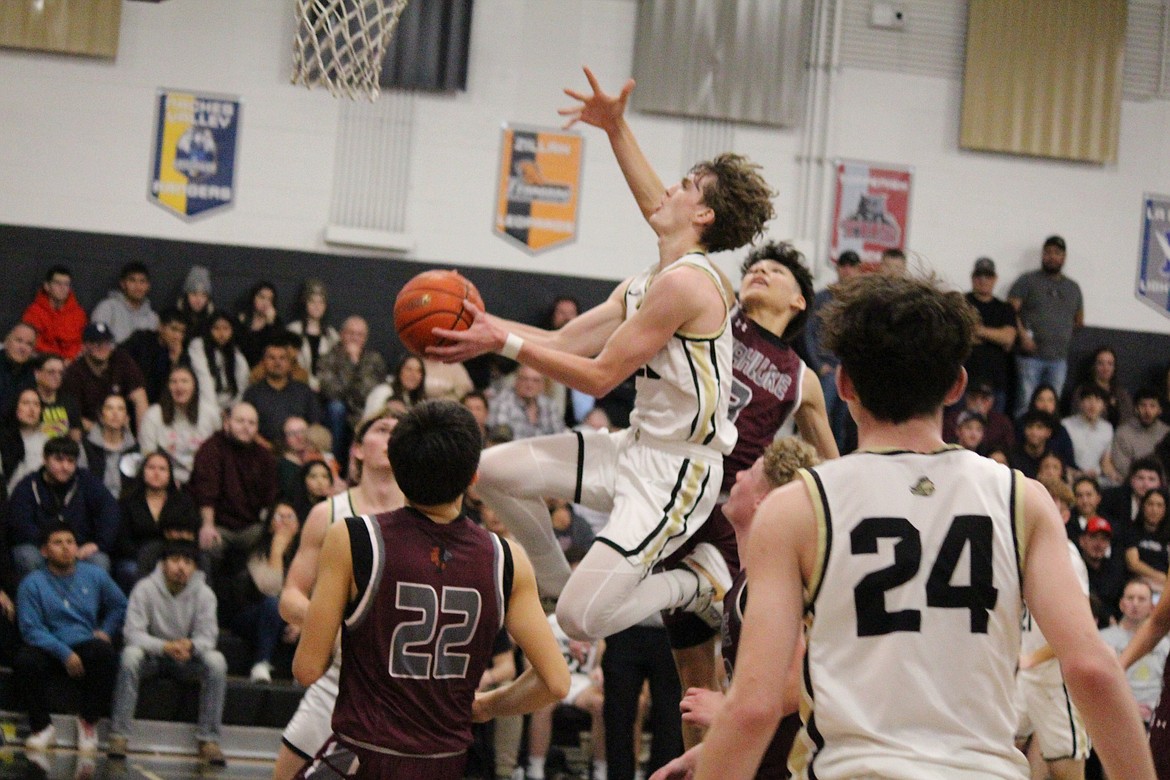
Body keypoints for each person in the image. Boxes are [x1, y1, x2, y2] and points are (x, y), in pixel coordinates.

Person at [694, 273, 1153, 779]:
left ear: (843, 383)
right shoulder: (1024, 499)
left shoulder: (798, 506)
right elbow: (1092, 667)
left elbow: (754, 706)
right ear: (957, 385)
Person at [431, 67, 775, 641]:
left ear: (704, 215)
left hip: (678, 471)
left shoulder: (688, 284)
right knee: (488, 470)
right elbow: (566, 344)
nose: (669, 188)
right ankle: (555, 579)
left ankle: (698, 584)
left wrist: (504, 342)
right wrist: (486, 325)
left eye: (686, 185)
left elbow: (595, 378)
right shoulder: (653, 277)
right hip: (634, 445)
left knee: (580, 623)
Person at [291, 400, 571, 779]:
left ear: (398, 468)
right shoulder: (508, 558)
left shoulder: (353, 537)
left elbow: (307, 669)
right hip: (444, 763)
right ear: (473, 477)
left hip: (361, 755)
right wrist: (486, 706)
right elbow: (555, 683)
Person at [651, 437, 820, 780]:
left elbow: (803, 678)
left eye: (751, 473)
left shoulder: (768, 581)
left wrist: (729, 711)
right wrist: (702, 754)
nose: (738, 476)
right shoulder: (748, 580)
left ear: (762, 501)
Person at [272, 406, 407, 780]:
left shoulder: (424, 518)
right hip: (340, 678)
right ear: (358, 449)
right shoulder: (328, 513)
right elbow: (290, 598)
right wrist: (333, 624)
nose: (392, 437)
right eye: (382, 428)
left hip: (401, 688)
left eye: (401, 431)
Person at [108, 540, 227, 765]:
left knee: (217, 661)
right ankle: (119, 735)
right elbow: (132, 634)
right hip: (152, 656)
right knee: (130, 656)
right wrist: (163, 647)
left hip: (185, 658)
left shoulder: (205, 594)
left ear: (195, 568)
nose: (181, 567)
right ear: (163, 564)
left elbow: (208, 637)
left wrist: (191, 647)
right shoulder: (144, 588)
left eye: (187, 562)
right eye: (175, 560)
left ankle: (209, 740)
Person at [16, 522, 127, 753]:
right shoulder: (32, 583)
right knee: (25, 661)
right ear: (44, 551)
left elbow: (120, 605)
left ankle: (87, 721)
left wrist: (106, 630)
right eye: (58, 543)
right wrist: (64, 653)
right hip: (48, 644)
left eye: (70, 542)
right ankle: (42, 727)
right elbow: (30, 629)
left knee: (106, 654)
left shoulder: (95, 575)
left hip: (84, 641)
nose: (66, 548)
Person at [1014, 477, 1092, 780]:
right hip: (1022, 673)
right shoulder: (1020, 552)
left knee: (1066, 768)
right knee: (992, 747)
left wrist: (1031, 658)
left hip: (1056, 678)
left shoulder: (1067, 556)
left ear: (1064, 515)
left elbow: (1079, 631)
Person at [8, 436, 120, 580]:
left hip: (78, 547)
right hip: (41, 547)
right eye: (59, 460)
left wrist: (98, 544)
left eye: (70, 461)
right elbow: (19, 523)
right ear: (45, 459)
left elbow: (110, 512)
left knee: (99, 560)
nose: (65, 466)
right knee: (26, 555)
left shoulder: (86, 481)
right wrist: (49, 546)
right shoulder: (28, 485)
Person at [188, 402, 277, 576]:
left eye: (251, 423)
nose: (246, 427)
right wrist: (207, 524)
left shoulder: (264, 456)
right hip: (218, 526)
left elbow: (271, 495)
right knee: (208, 545)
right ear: (227, 422)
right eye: (240, 421)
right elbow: (206, 491)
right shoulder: (211, 449)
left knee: (275, 541)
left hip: (252, 526)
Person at [222, 500, 300, 684]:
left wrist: (300, 623)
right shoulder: (256, 549)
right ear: (270, 524)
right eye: (280, 517)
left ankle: (304, 670)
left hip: (287, 618)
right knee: (272, 604)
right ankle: (261, 663)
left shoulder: (305, 554)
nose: (286, 521)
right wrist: (276, 551)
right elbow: (270, 588)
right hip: (251, 613)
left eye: (291, 517)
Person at [1010, 235, 1084, 413]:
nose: (1052, 256)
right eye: (1048, 252)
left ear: (1064, 257)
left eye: (1057, 253)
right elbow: (1011, 311)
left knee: (1051, 408)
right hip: (1030, 358)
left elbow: (1079, 320)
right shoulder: (1027, 280)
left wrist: (1060, 336)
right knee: (1025, 405)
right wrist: (1022, 335)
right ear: (1043, 255)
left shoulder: (1073, 287)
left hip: (1058, 359)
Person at [114, 450, 201, 591]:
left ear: (170, 474)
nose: (156, 473)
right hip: (135, 557)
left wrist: (168, 560)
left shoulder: (183, 501)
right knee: (129, 570)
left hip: (175, 556)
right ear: (142, 471)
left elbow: (191, 535)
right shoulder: (128, 502)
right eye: (151, 468)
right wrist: (147, 559)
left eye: (162, 469)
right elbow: (122, 540)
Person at [804, 250, 864, 451]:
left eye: (852, 266)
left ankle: (833, 464)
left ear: (858, 270)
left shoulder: (861, 301)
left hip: (847, 369)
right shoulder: (822, 298)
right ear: (838, 268)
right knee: (818, 420)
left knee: (841, 425)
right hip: (828, 369)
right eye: (844, 266)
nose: (847, 271)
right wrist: (819, 365)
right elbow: (807, 333)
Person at [317, 315, 385, 468]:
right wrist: (351, 364)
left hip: (364, 412)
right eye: (350, 333)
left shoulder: (374, 360)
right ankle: (334, 466)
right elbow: (331, 391)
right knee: (337, 407)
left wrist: (355, 365)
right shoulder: (328, 358)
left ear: (365, 338)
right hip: (336, 414)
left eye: (359, 334)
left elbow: (369, 393)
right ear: (341, 334)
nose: (355, 338)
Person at [1099, 579, 1168, 725]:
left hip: (1157, 714)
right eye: (1130, 598)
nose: (1135, 604)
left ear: (1152, 607)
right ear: (1121, 604)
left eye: (1141, 599)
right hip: (1117, 713)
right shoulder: (1102, 639)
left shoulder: (1165, 644)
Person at [138, 365, 220, 486]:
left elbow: (219, 451)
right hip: (166, 481)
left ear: (194, 386)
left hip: (204, 479)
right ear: (168, 387)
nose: (179, 387)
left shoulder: (210, 414)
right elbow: (148, 455)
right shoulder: (153, 415)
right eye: (173, 382)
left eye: (184, 381)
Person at [61, 321, 149, 432]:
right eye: (96, 343)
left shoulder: (121, 359)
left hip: (121, 430)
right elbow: (73, 417)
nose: (102, 347)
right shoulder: (74, 373)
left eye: (107, 342)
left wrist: (143, 441)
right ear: (84, 346)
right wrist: (104, 433)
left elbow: (139, 397)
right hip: (90, 434)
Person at [243, 334, 321, 447]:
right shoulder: (252, 393)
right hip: (263, 452)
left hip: (301, 450)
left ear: (290, 363)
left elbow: (315, 425)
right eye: (271, 358)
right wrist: (266, 446)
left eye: (282, 358)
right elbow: (247, 428)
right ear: (263, 362)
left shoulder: (304, 391)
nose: (277, 363)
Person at [963, 257, 1017, 413]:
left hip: (996, 382)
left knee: (993, 430)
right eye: (979, 276)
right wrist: (994, 336)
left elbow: (1008, 338)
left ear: (995, 279)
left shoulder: (1005, 308)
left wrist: (978, 330)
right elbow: (958, 335)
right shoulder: (961, 302)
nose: (983, 280)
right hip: (964, 381)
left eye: (988, 276)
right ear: (973, 278)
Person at [122, 307, 189, 404]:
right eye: (173, 329)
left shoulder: (182, 353)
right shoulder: (140, 340)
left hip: (163, 405)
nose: (177, 336)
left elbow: (178, 387)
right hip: (132, 400)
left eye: (182, 332)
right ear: (160, 327)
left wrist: (175, 362)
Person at [188, 311, 251, 414]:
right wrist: (215, 412)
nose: (221, 333)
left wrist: (232, 411)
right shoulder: (198, 345)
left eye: (226, 329)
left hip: (229, 408)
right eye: (216, 328)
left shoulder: (235, 352)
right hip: (203, 405)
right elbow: (204, 379)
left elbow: (242, 385)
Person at [79, 393, 138, 499]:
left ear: (127, 418)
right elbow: (81, 483)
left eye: (120, 409)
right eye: (109, 408)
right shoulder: (86, 446)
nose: (115, 413)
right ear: (101, 416)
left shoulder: (134, 448)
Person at [22, 265, 87, 361]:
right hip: (42, 361)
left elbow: (82, 342)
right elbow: (32, 340)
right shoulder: (34, 312)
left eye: (66, 284)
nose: (63, 288)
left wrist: (69, 358)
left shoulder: (79, 314)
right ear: (47, 286)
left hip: (71, 363)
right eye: (58, 283)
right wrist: (56, 359)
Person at [486, 365, 567, 440]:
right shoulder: (502, 403)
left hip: (543, 453)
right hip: (513, 453)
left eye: (535, 380)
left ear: (542, 385)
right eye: (525, 379)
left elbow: (560, 437)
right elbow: (500, 441)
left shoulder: (549, 405)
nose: (529, 385)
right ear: (516, 381)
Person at [286, 279, 340, 391]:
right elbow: (291, 364)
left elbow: (336, 367)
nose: (317, 306)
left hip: (325, 390)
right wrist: (310, 382)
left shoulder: (332, 335)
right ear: (305, 303)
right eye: (312, 301)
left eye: (321, 302)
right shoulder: (293, 330)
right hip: (298, 387)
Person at [1108, 389, 1169, 486]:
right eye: (1143, 405)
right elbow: (1122, 466)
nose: (1147, 411)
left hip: (1163, 487)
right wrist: (1144, 481)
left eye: (1152, 406)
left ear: (1160, 410)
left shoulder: (1167, 433)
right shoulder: (1123, 433)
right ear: (1136, 408)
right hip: (1132, 484)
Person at [1078, 516, 1129, 628]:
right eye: (1093, 537)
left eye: (1104, 539)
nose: (1098, 544)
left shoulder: (1115, 569)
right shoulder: (1075, 567)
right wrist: (1107, 617)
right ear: (1082, 541)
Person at [91, 261, 160, 343]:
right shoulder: (107, 308)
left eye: (142, 281)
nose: (138, 286)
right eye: (132, 280)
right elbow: (95, 340)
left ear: (148, 286)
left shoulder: (153, 318)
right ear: (123, 284)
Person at [1066, 346, 1134, 427]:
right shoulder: (1082, 391)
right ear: (1093, 366)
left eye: (1110, 364)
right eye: (1101, 363)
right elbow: (1076, 417)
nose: (1106, 368)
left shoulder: (1121, 393)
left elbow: (1129, 419)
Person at [1123, 487, 1170, 596]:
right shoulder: (1132, 531)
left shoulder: (1167, 536)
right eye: (1150, 504)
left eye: (1159, 505)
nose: (1154, 509)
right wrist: (1161, 576)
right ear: (1143, 506)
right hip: (1138, 585)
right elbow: (1133, 563)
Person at [2, 387, 48, 496]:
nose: (32, 409)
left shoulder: (49, 439)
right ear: (15, 407)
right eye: (26, 403)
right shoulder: (4, 439)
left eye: (36, 404)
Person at [1062, 383, 1113, 481]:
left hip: (1096, 478)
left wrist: (1115, 476)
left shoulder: (1107, 428)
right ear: (1080, 403)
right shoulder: (1066, 425)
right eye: (1088, 399)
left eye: (1098, 400)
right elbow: (1060, 460)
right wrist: (1079, 473)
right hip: (1071, 477)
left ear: (1104, 405)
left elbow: (1105, 462)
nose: (1093, 405)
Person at [1099, 455, 1165, 531]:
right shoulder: (1111, 498)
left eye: (1151, 479)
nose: (1145, 484)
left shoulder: (1166, 502)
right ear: (1131, 480)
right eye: (1140, 478)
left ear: (1160, 483)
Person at [33, 353, 82, 441]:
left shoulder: (70, 402)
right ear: (37, 373)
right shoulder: (27, 400)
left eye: (61, 373)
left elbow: (76, 437)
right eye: (51, 372)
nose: (57, 377)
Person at [362, 354, 426, 419]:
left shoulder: (412, 399)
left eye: (419, 371)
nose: (414, 375)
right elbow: (368, 422)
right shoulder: (383, 392)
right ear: (399, 371)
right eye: (409, 369)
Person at [236, 281, 283, 368]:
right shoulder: (242, 320)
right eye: (261, 297)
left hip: (266, 369)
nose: (265, 302)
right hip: (242, 366)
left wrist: (270, 324)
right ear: (253, 298)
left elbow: (275, 349)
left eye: (270, 299)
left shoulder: (276, 323)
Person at [0, 321, 37, 415]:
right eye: (19, 341)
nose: (23, 348)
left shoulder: (31, 371)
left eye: (29, 344)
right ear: (6, 341)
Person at [176, 265, 216, 341]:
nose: (198, 300)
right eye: (194, 294)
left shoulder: (214, 324)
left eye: (204, 295)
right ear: (186, 296)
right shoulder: (174, 321)